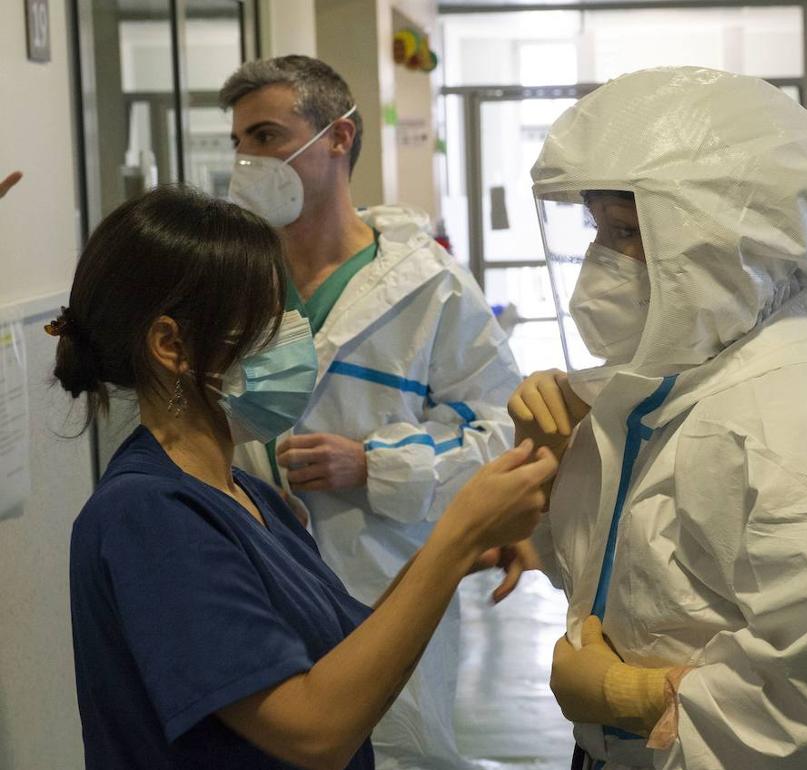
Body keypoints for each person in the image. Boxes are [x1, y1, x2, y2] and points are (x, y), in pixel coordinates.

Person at [511, 67, 807, 770]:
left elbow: (799, 714)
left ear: (724, 243)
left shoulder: (802, 422)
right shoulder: (682, 381)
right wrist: (552, 462)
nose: (602, 264)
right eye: (598, 232)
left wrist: (626, 695)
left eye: (629, 233)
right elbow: (619, 579)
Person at [55, 185, 557, 770]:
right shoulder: (149, 515)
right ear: (172, 345)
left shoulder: (246, 494)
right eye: (267, 319)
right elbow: (314, 731)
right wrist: (455, 539)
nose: (293, 337)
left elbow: (349, 654)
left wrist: (464, 543)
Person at [218, 56, 527, 769]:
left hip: (384, 584)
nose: (248, 160)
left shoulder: (429, 288)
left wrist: (373, 464)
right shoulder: (234, 276)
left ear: (338, 137)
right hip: (253, 581)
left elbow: (500, 431)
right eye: (238, 142)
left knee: (391, 751)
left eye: (267, 136)